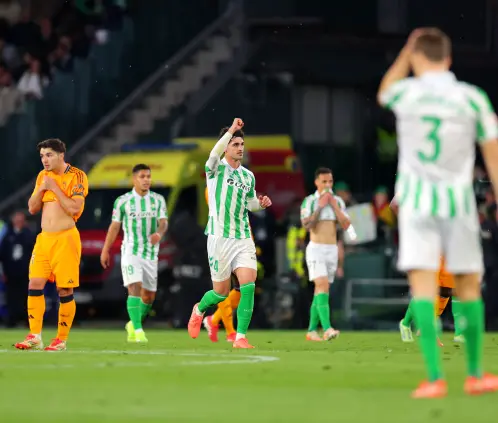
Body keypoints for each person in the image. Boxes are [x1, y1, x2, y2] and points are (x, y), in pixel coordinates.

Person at [378, 28, 498, 398]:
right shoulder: (472, 98)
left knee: (425, 287)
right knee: (467, 286)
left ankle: (434, 378)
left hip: (416, 204)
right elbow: (492, 152)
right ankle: (476, 374)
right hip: (457, 203)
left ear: (416, 58)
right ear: (449, 60)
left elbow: (385, 91)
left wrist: (405, 52)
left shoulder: (407, 92)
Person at [187, 118, 272, 349]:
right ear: (226, 146)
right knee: (221, 292)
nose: (240, 148)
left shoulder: (248, 176)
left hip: (242, 237)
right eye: (235, 144)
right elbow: (213, 154)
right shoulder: (215, 169)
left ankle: (241, 337)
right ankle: (199, 309)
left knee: (248, 284)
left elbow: (250, 204)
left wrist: (260, 204)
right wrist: (231, 130)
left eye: (241, 144)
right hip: (218, 238)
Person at [14, 138, 88, 351]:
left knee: (64, 289)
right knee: (34, 284)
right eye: (42, 156)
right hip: (44, 239)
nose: (44, 160)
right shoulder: (42, 177)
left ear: (61, 155)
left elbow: (74, 209)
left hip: (66, 239)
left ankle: (60, 339)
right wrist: (41, 189)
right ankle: (35, 336)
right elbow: (32, 208)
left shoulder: (77, 176)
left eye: (49, 155)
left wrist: (54, 187)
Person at [100, 164, 168, 343]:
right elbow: (114, 227)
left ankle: (132, 323)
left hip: (151, 253)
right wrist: (105, 250)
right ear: (134, 179)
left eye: (148, 176)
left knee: (149, 296)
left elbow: (163, 222)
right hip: (131, 250)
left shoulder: (158, 200)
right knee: (134, 287)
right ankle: (138, 330)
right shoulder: (123, 201)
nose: (146, 180)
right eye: (142, 176)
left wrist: (159, 234)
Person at [300, 167, 355, 341]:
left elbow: (346, 224)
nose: (327, 185)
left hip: (331, 249)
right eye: (324, 181)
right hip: (316, 248)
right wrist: (320, 207)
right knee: (322, 284)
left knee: (321, 289)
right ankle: (327, 328)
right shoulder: (309, 201)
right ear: (316, 182)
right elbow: (306, 225)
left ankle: (310, 331)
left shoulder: (338, 201)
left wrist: (332, 205)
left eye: (330, 181)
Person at [0, 211, 35, 327]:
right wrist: (3, 271)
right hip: (10, 271)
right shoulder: (8, 235)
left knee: (26, 296)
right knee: (11, 296)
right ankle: (12, 319)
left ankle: (27, 320)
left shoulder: (28, 235)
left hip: (25, 271)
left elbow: (33, 252)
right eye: (17, 219)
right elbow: (3, 254)